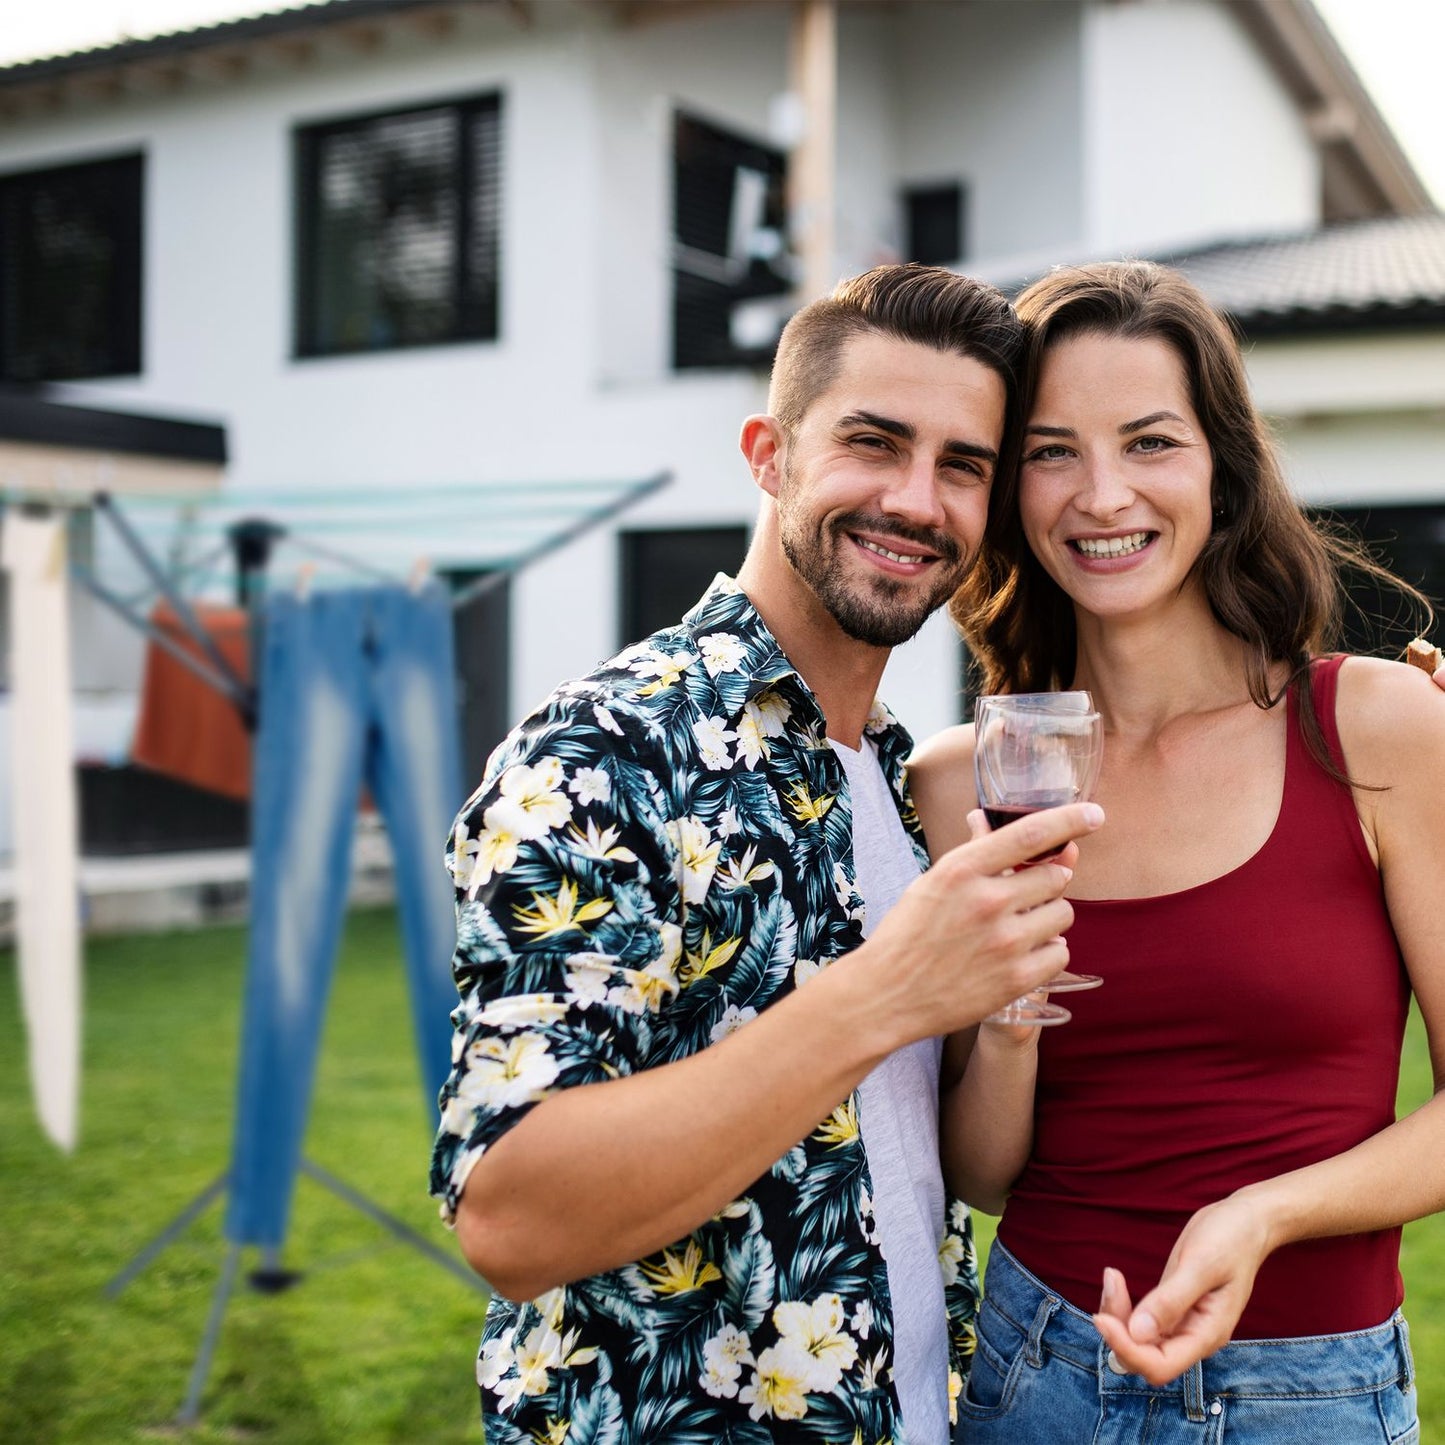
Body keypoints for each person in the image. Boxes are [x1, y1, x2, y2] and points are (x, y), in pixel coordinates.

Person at [428, 264, 1104, 1441]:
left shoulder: (899, 780)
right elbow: (511, 1216)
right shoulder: (603, 750)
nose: (913, 497)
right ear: (768, 452)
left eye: (962, 465)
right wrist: (886, 991)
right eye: (873, 442)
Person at [909, 258, 1445, 1442]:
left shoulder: (1373, 729)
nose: (1100, 495)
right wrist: (1005, 1020)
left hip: (1313, 1393)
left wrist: (1262, 1213)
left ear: (1221, 465)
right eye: (1051, 450)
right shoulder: (962, 781)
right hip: (1032, 1373)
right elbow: (984, 1176)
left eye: (1148, 441)